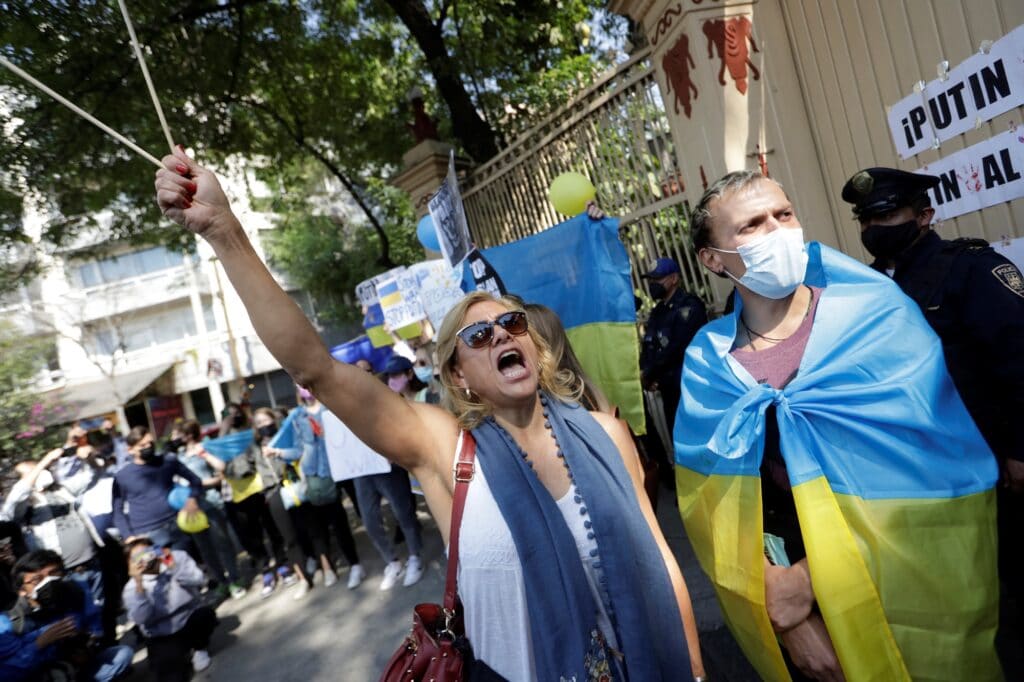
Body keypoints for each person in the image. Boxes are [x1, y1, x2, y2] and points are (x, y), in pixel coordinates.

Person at [153, 147, 703, 681]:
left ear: (534, 345)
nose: (501, 337)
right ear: (458, 375)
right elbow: (314, 368)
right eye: (478, 335)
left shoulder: (603, 432)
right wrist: (224, 232)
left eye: (513, 326)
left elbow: (658, 559)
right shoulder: (445, 448)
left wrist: (697, 672)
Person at [678, 169, 999, 681]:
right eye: (751, 226)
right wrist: (787, 613)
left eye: (784, 214)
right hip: (799, 611)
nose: (778, 232)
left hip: (908, 583)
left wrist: (815, 578)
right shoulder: (708, 359)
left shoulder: (876, 314)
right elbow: (714, 506)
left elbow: (931, 466)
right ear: (713, 260)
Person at [841, 166, 1024, 677]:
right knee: (963, 598)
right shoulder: (871, 286)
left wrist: (1020, 450)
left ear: (924, 215)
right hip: (925, 478)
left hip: (993, 466)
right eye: (865, 220)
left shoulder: (969, 269)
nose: (874, 229)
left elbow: (1018, 359)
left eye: (887, 214)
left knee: (1010, 591)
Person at [350, 355, 427, 591]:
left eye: (367, 370)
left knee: (403, 513)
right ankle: (392, 562)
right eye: (357, 371)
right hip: (361, 470)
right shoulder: (345, 400)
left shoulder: (387, 397)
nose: (362, 375)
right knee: (370, 520)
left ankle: (415, 557)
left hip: (389, 467)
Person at [1, 449, 107, 614]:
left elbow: (91, 475)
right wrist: (45, 459)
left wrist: (89, 458)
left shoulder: (60, 490)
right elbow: (18, 494)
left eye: (39, 469)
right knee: (77, 613)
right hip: (61, 572)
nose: (39, 473)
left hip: (90, 562)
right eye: (32, 472)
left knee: (101, 608)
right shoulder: (21, 506)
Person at [1, 550, 132, 682]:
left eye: (53, 574)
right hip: (38, 675)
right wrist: (40, 643)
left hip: (72, 668)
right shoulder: (8, 622)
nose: (48, 582)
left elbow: (93, 629)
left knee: (121, 654)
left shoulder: (74, 594)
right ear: (22, 590)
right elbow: (7, 674)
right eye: (37, 579)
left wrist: (85, 646)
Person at [638, 257, 707, 481]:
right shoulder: (658, 312)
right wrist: (646, 372)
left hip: (691, 388)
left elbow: (678, 347)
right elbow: (649, 346)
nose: (653, 285)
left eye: (658, 279)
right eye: (651, 280)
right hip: (667, 390)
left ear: (674, 278)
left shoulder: (690, 306)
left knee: (700, 442)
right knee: (680, 443)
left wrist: (650, 373)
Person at [231, 408, 311, 599]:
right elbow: (241, 466)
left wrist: (279, 453)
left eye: (267, 420)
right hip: (273, 492)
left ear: (273, 420)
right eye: (259, 423)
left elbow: (299, 452)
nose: (264, 425)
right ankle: (303, 578)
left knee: (306, 528)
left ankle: (316, 561)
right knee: (288, 537)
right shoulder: (254, 445)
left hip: (294, 485)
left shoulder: (284, 435)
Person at [289, 387, 365, 589]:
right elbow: (297, 449)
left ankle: (367, 561)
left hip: (343, 467)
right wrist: (278, 452)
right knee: (330, 525)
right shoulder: (298, 416)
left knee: (360, 512)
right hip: (317, 475)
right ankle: (351, 566)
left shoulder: (330, 407)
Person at [121, 536, 219, 681]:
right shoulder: (131, 588)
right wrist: (139, 584)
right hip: (162, 634)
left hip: (189, 617)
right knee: (172, 676)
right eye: (137, 558)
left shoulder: (176, 557)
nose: (145, 560)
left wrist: (173, 567)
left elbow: (199, 580)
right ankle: (181, 655)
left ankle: (199, 647)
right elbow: (141, 618)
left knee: (205, 615)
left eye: (147, 552)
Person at [171, 421, 246, 600]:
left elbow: (221, 469)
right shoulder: (178, 456)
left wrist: (204, 458)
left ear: (188, 435)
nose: (174, 439)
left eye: (177, 435)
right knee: (205, 549)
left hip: (211, 503)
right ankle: (221, 582)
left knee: (222, 544)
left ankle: (235, 579)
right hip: (190, 508)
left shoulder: (204, 448)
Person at [111, 427, 203, 551]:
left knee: (185, 566)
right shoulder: (122, 476)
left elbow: (195, 481)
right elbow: (117, 511)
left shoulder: (167, 461)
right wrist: (128, 536)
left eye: (150, 443)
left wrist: (192, 499)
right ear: (130, 450)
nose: (148, 447)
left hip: (177, 525)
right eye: (142, 445)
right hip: (147, 533)